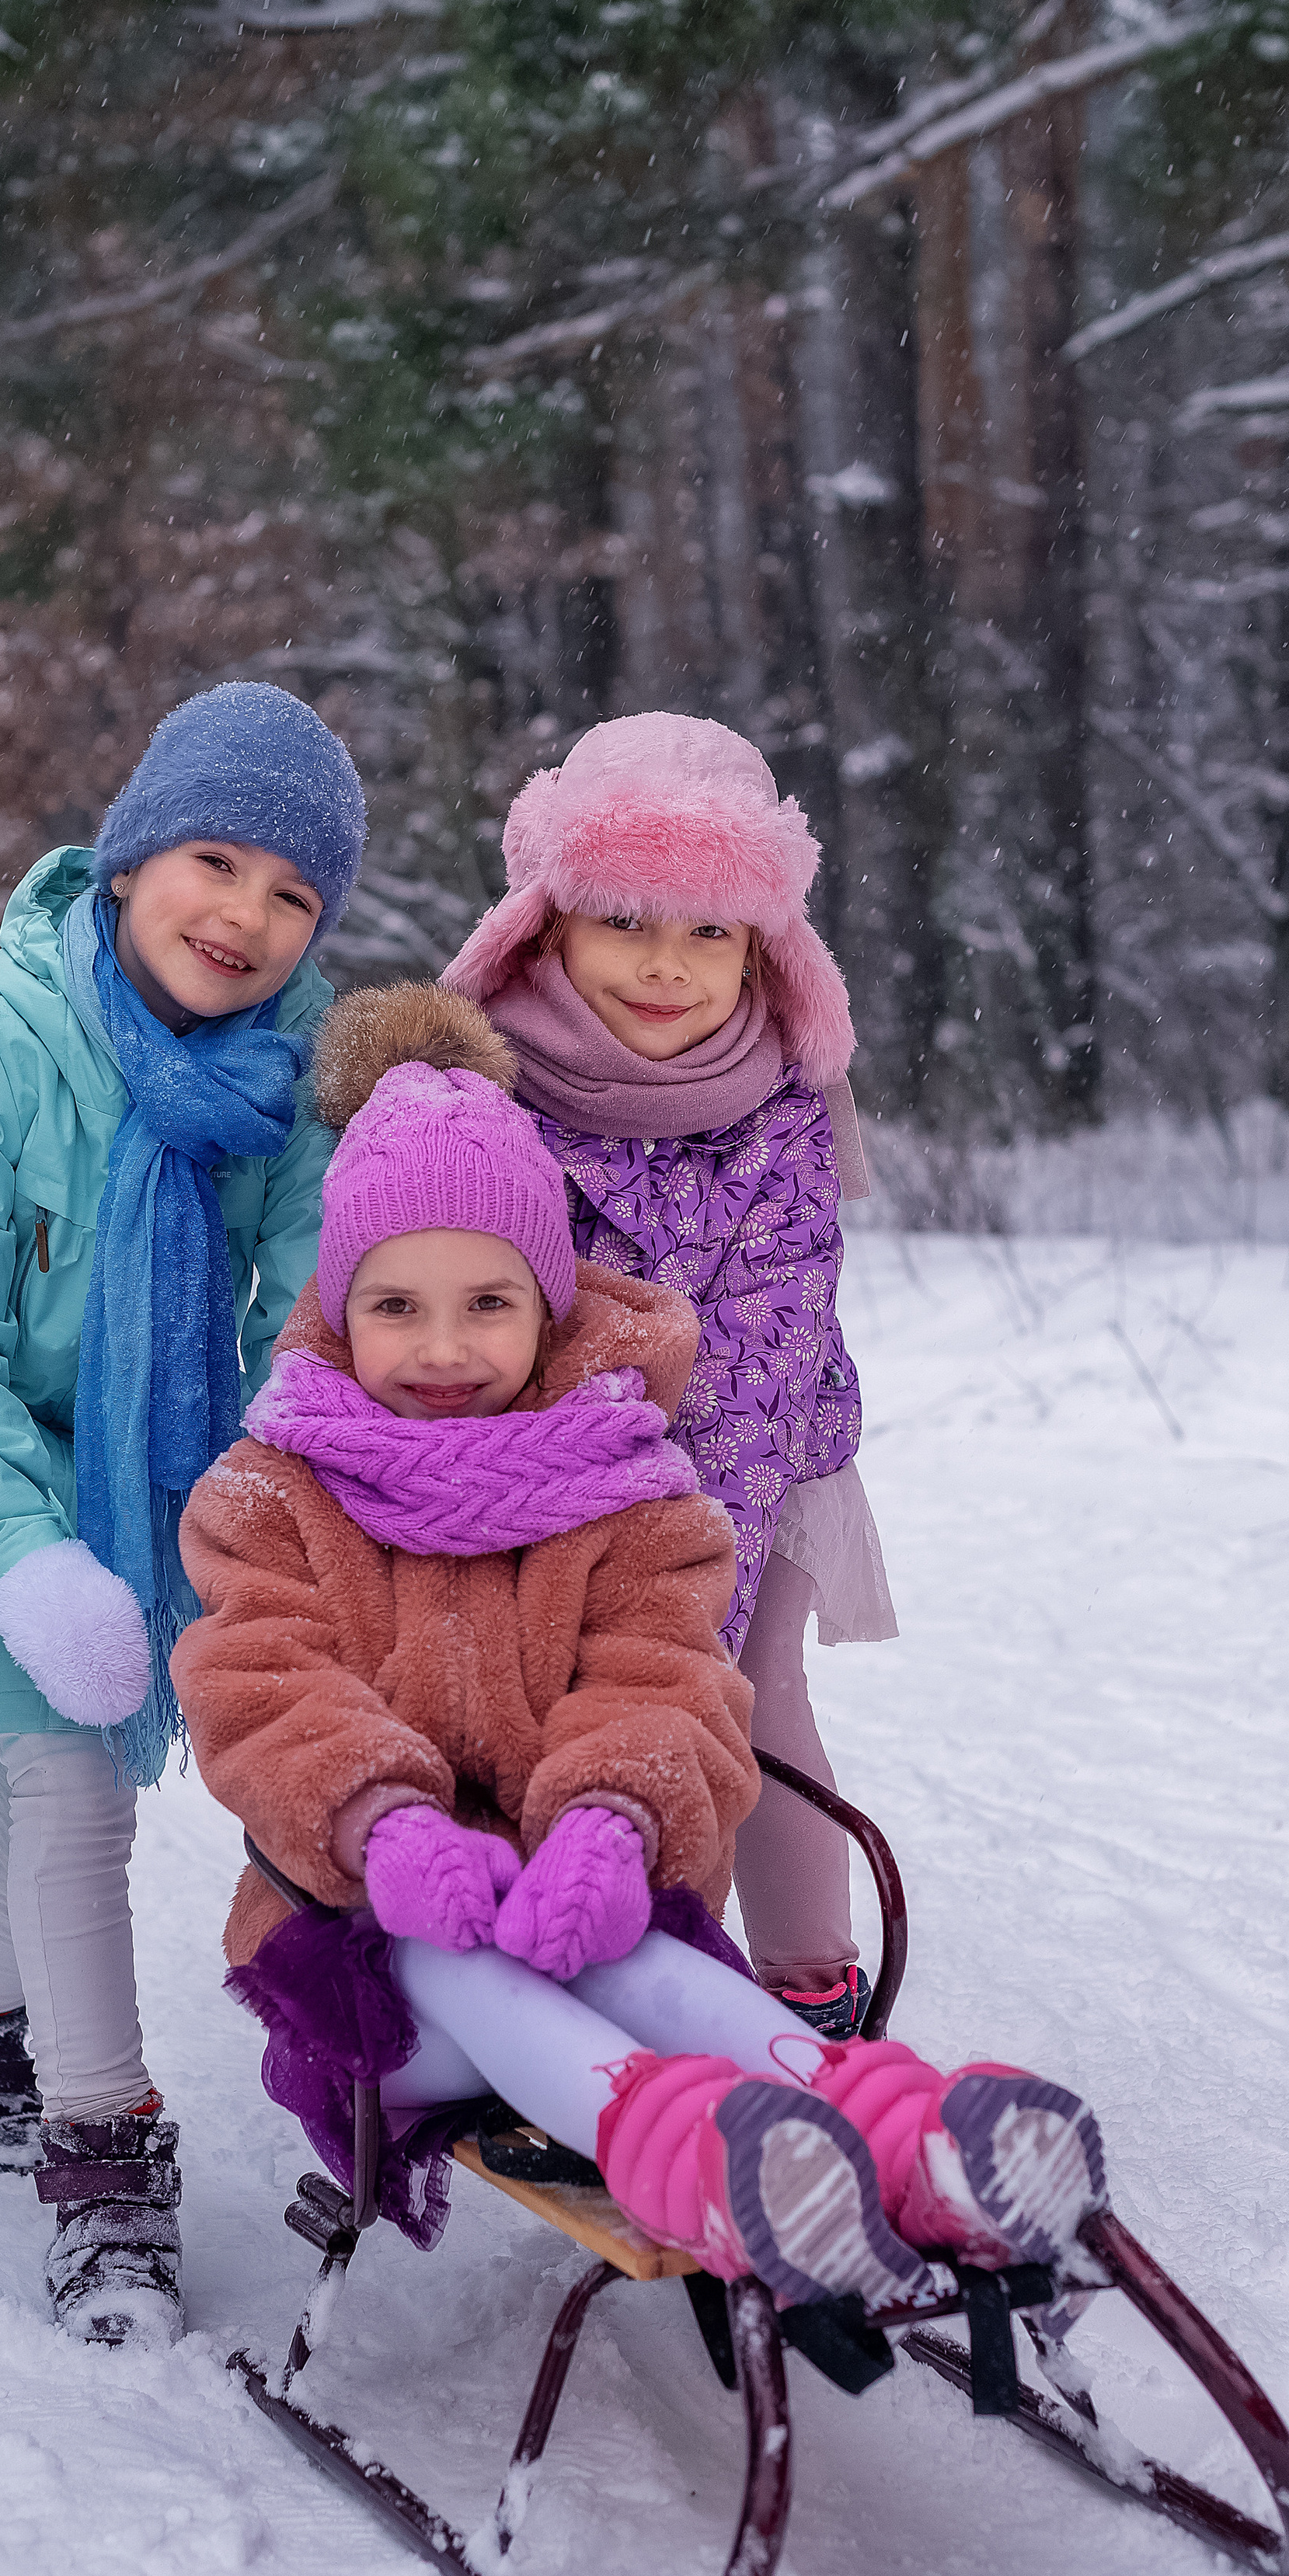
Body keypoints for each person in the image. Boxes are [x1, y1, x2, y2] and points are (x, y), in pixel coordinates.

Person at [172, 985, 1104, 2303]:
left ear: (549, 1304)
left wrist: (612, 1821)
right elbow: (261, 1683)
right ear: (341, 1305)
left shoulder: (629, 1486)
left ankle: (893, 2131)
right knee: (472, 1965)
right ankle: (718, 2170)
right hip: (368, 1962)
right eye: (398, 1306)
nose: (445, 1348)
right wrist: (383, 1824)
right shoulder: (274, 1496)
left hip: (574, 1898)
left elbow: (663, 1674)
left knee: (648, 1961)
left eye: (489, 1302)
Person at [0, 680, 365, 2347]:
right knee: (71, 1775)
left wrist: (272, 1481)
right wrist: (26, 1554)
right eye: (217, 860)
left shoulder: (282, 1076)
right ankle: (104, 2156)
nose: (249, 918)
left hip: (166, 1472)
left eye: (295, 895)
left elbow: (316, 1301)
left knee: (41, 1780)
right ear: (128, 860)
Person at [438, 715, 894, 2036]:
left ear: (765, 947)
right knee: (547, 1713)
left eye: (713, 934)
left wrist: (683, 1592)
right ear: (548, 923)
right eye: (630, 919)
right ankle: (569, 1958)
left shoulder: (781, 1099)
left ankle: (808, 1990)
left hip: (761, 1460)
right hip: (541, 1471)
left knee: (737, 1701)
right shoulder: (486, 1087)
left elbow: (774, 1332)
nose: (668, 968)